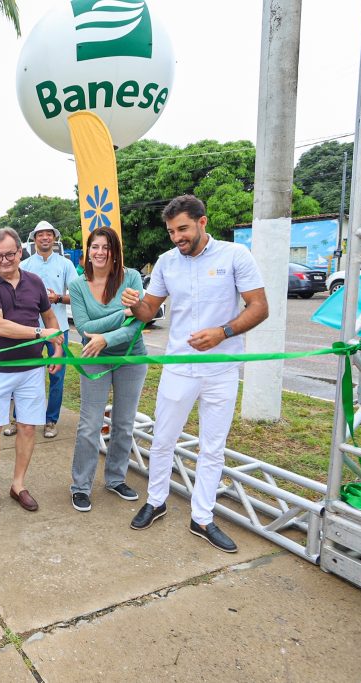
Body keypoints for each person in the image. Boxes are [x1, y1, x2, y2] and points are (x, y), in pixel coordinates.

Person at [121, 195, 268, 553]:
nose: (176, 238)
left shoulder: (236, 255)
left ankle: (202, 517)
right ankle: (155, 501)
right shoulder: (167, 263)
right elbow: (148, 312)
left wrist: (224, 332)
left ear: (203, 222)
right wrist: (135, 304)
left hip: (221, 368)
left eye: (183, 229)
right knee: (162, 439)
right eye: (171, 231)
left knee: (212, 446)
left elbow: (259, 307)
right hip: (179, 367)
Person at [0, 228, 62, 514]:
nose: (4, 261)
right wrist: (41, 334)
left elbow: (51, 319)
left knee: (27, 427)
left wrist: (57, 351)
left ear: (20, 253)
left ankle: (18, 485)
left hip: (32, 370)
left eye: (9, 254)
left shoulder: (35, 282)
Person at [68, 227, 147, 512]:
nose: (100, 253)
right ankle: (80, 486)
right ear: (87, 251)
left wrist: (107, 337)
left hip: (131, 356)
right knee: (90, 425)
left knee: (124, 424)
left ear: (115, 251)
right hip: (94, 356)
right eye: (94, 247)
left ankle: (115, 479)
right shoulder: (78, 285)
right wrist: (120, 314)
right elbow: (85, 327)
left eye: (106, 247)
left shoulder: (132, 278)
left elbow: (138, 323)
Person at [18, 220, 78, 439]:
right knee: (26, 374)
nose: (44, 238)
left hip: (57, 328)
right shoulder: (24, 266)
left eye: (48, 234)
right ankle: (20, 418)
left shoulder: (65, 265)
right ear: (34, 239)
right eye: (40, 235)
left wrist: (59, 297)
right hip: (30, 329)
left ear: (54, 238)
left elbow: (78, 295)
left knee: (57, 376)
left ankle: (51, 420)